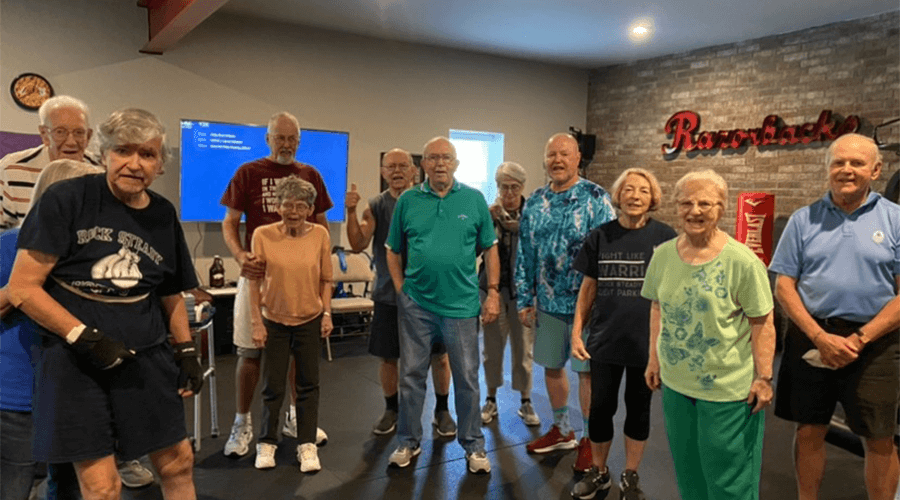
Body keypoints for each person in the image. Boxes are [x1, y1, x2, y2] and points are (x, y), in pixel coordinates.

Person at [7, 108, 203, 500]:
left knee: (178, 462)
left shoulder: (162, 214)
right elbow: (23, 288)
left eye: (147, 154)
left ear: (159, 164)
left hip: (145, 356)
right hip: (74, 362)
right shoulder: (66, 199)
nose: (134, 164)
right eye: (123, 152)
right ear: (103, 154)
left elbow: (170, 291)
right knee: (102, 487)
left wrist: (185, 351)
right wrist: (85, 338)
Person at [770, 133, 899, 500]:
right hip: (812, 337)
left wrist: (861, 339)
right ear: (827, 169)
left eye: (856, 163)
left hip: (876, 344)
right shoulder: (803, 219)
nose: (846, 170)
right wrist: (819, 337)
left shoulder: (895, 220)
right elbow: (784, 286)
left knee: (879, 437)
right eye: (838, 162)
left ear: (875, 169)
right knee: (809, 430)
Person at [641, 169, 775, 500]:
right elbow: (658, 307)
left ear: (723, 207)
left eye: (705, 203)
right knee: (689, 474)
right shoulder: (663, 255)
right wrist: (653, 359)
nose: (695, 210)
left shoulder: (742, 261)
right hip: (676, 385)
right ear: (675, 206)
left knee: (730, 482)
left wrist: (764, 377)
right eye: (686, 202)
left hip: (727, 391)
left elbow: (763, 321)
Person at [385, 136, 501, 474]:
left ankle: (474, 446)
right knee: (411, 376)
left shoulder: (474, 199)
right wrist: (400, 289)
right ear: (422, 165)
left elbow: (490, 248)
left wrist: (492, 291)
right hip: (417, 305)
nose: (439, 163)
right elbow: (393, 249)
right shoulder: (408, 201)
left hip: (463, 306)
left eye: (446, 158)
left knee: (466, 377)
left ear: (455, 164)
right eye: (433, 158)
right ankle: (408, 441)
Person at [220, 112, 332, 458]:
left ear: (298, 141)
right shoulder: (248, 172)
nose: (285, 145)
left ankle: (296, 419)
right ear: (268, 139)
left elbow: (322, 224)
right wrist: (241, 256)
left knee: (300, 353)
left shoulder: (310, 174)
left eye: (291, 139)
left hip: (299, 281)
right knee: (249, 352)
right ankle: (243, 424)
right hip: (257, 277)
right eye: (279, 138)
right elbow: (230, 222)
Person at [570, 168, 676, 500]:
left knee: (639, 408)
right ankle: (599, 472)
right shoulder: (600, 236)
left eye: (643, 191)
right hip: (604, 341)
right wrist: (576, 333)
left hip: (647, 345)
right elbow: (587, 290)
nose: (635, 196)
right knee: (601, 408)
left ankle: (630, 475)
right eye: (629, 189)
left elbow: (674, 290)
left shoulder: (666, 237)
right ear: (619, 196)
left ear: (652, 198)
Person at [0, 159, 103, 500]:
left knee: (68, 487)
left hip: (73, 391)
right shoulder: (11, 244)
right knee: (14, 486)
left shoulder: (91, 252)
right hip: (19, 394)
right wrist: (27, 286)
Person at [516, 133, 615, 472]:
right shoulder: (535, 201)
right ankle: (562, 430)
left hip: (587, 308)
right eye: (551, 154)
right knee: (552, 367)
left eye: (564, 154)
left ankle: (589, 439)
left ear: (577, 159)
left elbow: (607, 254)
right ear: (545, 160)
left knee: (586, 373)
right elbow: (524, 253)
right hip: (546, 302)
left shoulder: (596, 198)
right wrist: (524, 296)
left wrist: (605, 303)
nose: (557, 160)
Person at [345, 148, 455, 436]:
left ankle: (442, 410)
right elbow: (357, 244)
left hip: (430, 296)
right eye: (390, 166)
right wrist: (350, 211)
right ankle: (391, 410)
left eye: (402, 166)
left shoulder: (429, 201)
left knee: (440, 356)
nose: (396, 171)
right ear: (383, 172)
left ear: (413, 170)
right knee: (388, 357)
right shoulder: (377, 206)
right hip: (388, 296)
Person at [248, 176, 333, 472]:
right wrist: (256, 322)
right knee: (272, 385)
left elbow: (326, 279)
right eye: (287, 205)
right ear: (277, 206)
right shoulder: (262, 234)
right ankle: (267, 442)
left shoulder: (320, 234)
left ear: (310, 209)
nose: (293, 211)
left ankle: (306, 445)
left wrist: (327, 314)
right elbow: (253, 282)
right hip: (274, 320)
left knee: (309, 384)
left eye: (300, 206)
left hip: (309, 319)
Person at [477, 161, 539, 427]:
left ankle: (526, 402)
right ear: (498, 187)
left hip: (524, 292)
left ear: (523, 187)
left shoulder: (534, 215)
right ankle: (490, 399)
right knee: (492, 348)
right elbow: (475, 250)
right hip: (492, 291)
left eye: (514, 187)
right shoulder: (488, 215)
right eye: (504, 187)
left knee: (524, 349)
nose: (510, 192)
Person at [0, 96, 102, 230]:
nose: (71, 142)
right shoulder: (11, 169)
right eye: (60, 132)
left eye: (79, 133)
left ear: (88, 136)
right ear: (44, 135)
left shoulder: (101, 170)